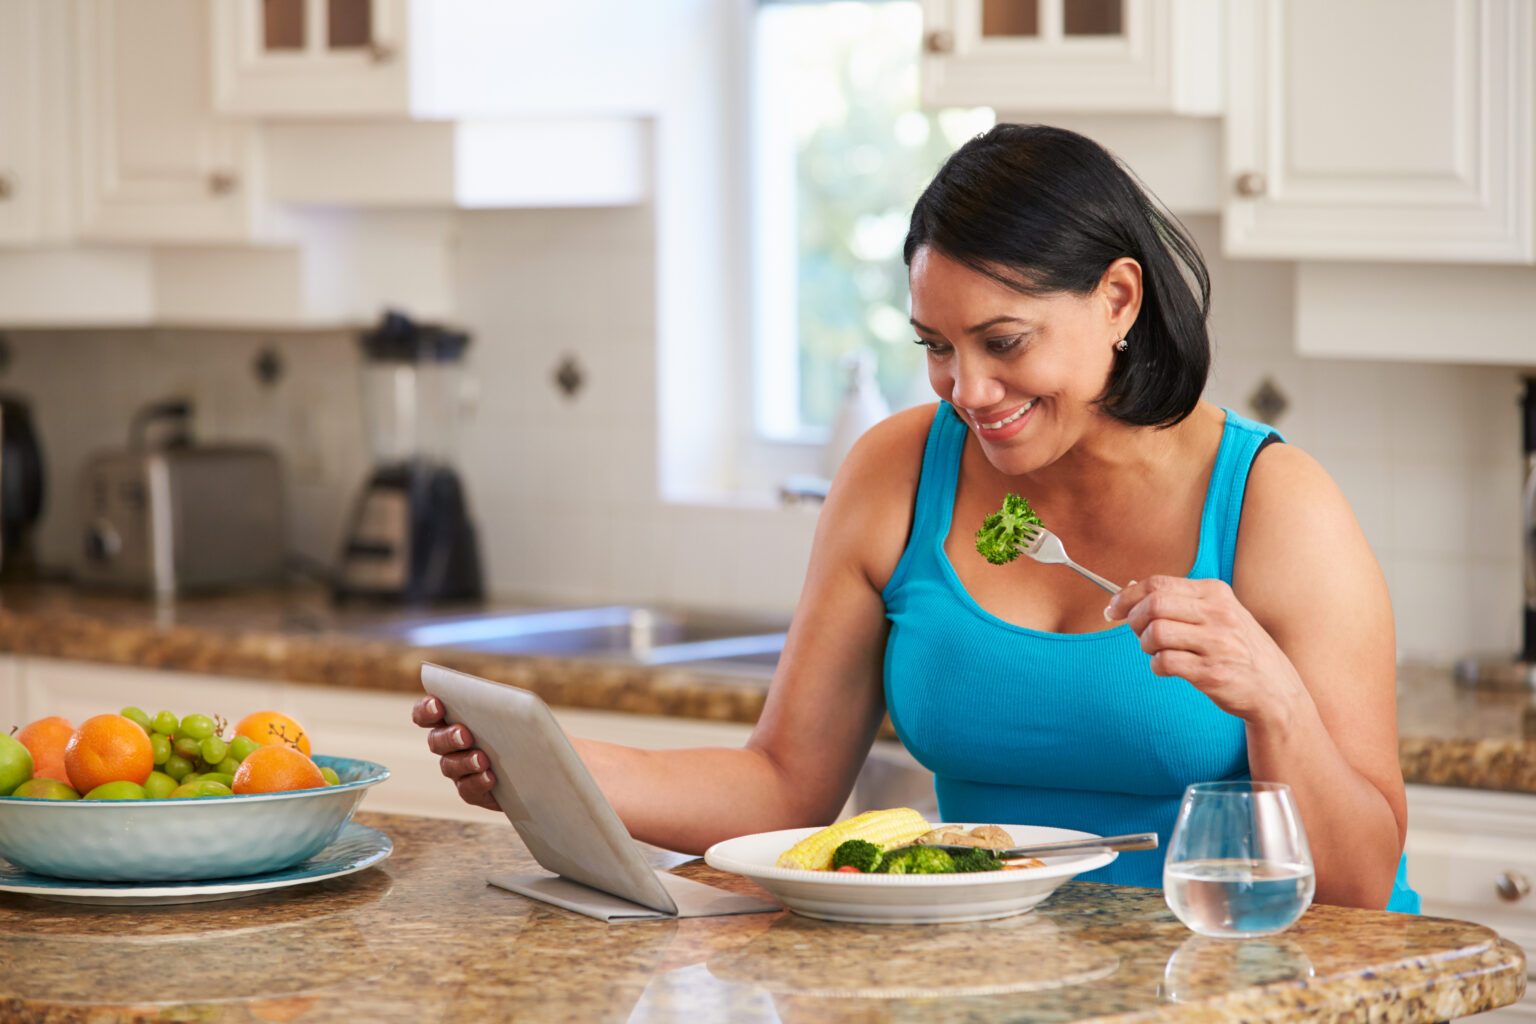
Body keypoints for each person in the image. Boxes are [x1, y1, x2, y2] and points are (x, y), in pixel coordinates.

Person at [413, 123, 1417, 913]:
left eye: (1003, 341)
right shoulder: (898, 471)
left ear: (1118, 299)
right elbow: (783, 784)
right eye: (937, 345)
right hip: (988, 972)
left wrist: (1274, 697)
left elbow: (1361, 885)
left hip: (1227, 976)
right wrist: (543, 765)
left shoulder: (1275, 506)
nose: (968, 390)